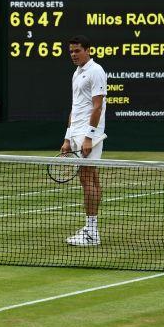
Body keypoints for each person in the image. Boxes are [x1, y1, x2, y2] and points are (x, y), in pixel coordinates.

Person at [62, 35, 107, 247]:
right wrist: (67, 137)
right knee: (90, 178)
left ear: (88, 50)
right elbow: (76, 106)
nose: (73, 54)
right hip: (77, 133)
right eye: (71, 51)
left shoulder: (96, 71)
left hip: (89, 135)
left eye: (77, 50)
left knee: (87, 179)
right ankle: (90, 228)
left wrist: (88, 136)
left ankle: (91, 233)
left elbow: (97, 106)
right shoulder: (76, 73)